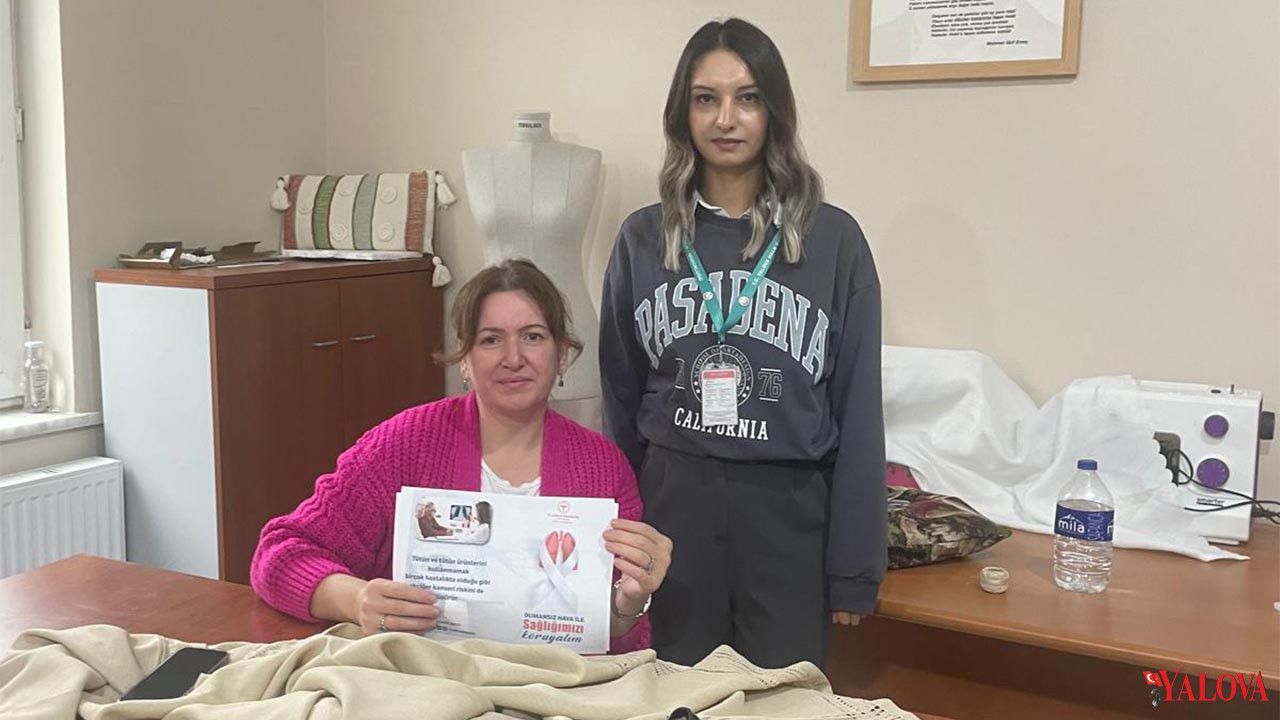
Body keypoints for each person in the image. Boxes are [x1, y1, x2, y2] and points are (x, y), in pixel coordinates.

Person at [599, 18, 886, 668]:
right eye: (707, 98)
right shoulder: (642, 239)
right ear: (683, 112)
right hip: (674, 508)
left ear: (774, 110)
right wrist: (622, 528)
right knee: (673, 691)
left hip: (789, 512)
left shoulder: (833, 241)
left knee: (782, 699)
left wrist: (853, 566)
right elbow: (619, 396)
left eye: (747, 97)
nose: (726, 118)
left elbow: (860, 412)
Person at [252, 259, 671, 653]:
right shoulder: (404, 444)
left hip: (555, 686)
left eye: (533, 336)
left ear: (561, 356)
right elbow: (279, 556)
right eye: (491, 340)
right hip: (428, 679)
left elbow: (617, 641)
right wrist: (357, 599)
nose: (513, 359)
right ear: (465, 360)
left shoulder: (603, 468)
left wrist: (631, 600)